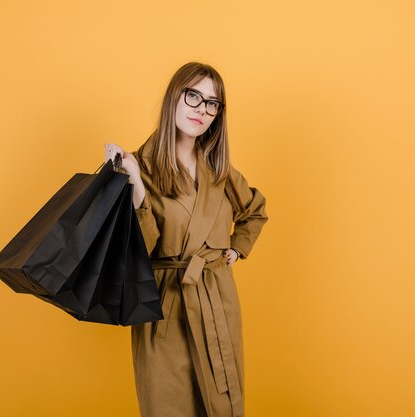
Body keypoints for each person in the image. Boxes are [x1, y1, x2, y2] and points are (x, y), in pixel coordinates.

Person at [103, 62, 268, 417]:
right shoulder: (139, 167)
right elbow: (136, 252)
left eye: (212, 103)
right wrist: (134, 186)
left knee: (222, 404)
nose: (202, 110)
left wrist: (237, 248)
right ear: (173, 98)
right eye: (193, 96)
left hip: (216, 299)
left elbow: (255, 210)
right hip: (163, 306)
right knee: (169, 404)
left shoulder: (219, 169)